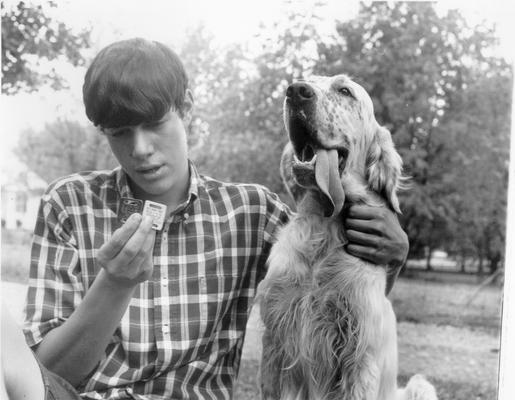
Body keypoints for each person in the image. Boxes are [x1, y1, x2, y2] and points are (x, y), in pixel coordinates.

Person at [13, 38, 408, 399]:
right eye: (120, 132)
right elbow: (42, 377)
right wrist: (114, 284)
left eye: (155, 124)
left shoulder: (252, 212)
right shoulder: (69, 203)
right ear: (102, 132)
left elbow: (343, 298)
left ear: (186, 106)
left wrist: (394, 252)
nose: (141, 149)